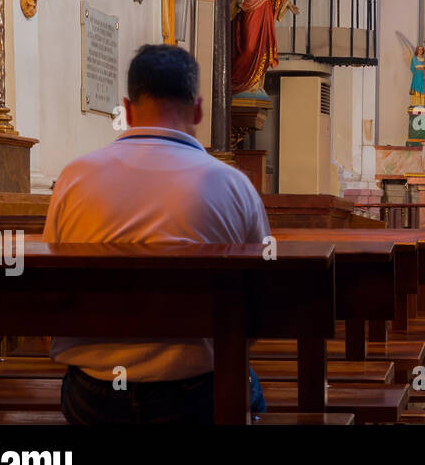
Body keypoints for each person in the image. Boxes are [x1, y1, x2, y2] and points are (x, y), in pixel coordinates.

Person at [44, 44, 272, 424]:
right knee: (247, 385)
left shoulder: (74, 178)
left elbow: (53, 285)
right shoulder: (233, 184)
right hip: (200, 397)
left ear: (127, 110)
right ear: (198, 109)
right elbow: (263, 299)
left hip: (95, 400)